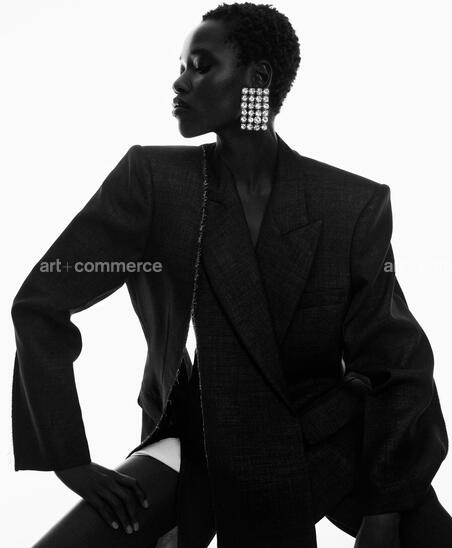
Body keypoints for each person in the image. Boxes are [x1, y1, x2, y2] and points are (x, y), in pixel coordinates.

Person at [10, 3, 452, 548]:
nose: (179, 82)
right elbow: (41, 302)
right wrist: (68, 459)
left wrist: (383, 510)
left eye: (200, 66)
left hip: (325, 434)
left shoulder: (350, 203)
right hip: (194, 438)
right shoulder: (154, 181)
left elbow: (395, 359)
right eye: (180, 66)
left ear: (257, 79)